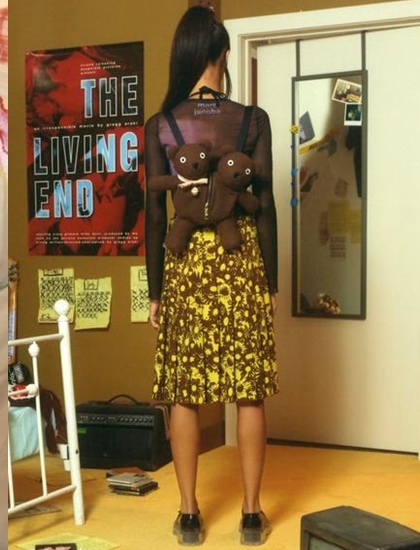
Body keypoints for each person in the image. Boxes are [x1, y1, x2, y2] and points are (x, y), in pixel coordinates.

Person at [145, 5, 279, 546]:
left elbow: (155, 217)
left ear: (184, 55)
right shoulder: (253, 120)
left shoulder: (162, 124)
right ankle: (251, 514)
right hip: (240, 258)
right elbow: (265, 208)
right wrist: (271, 283)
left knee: (184, 390)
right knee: (249, 391)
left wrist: (155, 292)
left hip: (187, 266)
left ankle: (188, 514)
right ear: (222, 54)